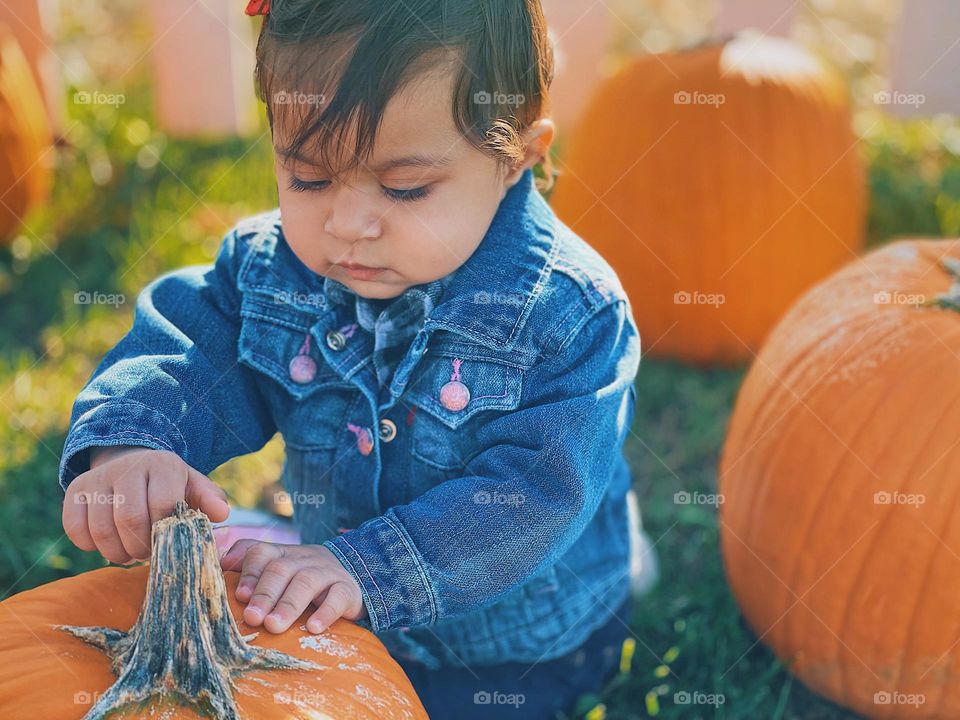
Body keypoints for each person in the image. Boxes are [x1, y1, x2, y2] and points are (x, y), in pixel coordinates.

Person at [59, 1, 649, 716]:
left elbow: (534, 495)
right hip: (326, 598)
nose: (347, 224)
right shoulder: (271, 270)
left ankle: (626, 561)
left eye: (404, 189)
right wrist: (133, 442)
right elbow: (191, 353)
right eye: (308, 177)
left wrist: (367, 568)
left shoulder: (566, 316)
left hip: (507, 647)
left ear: (517, 156)